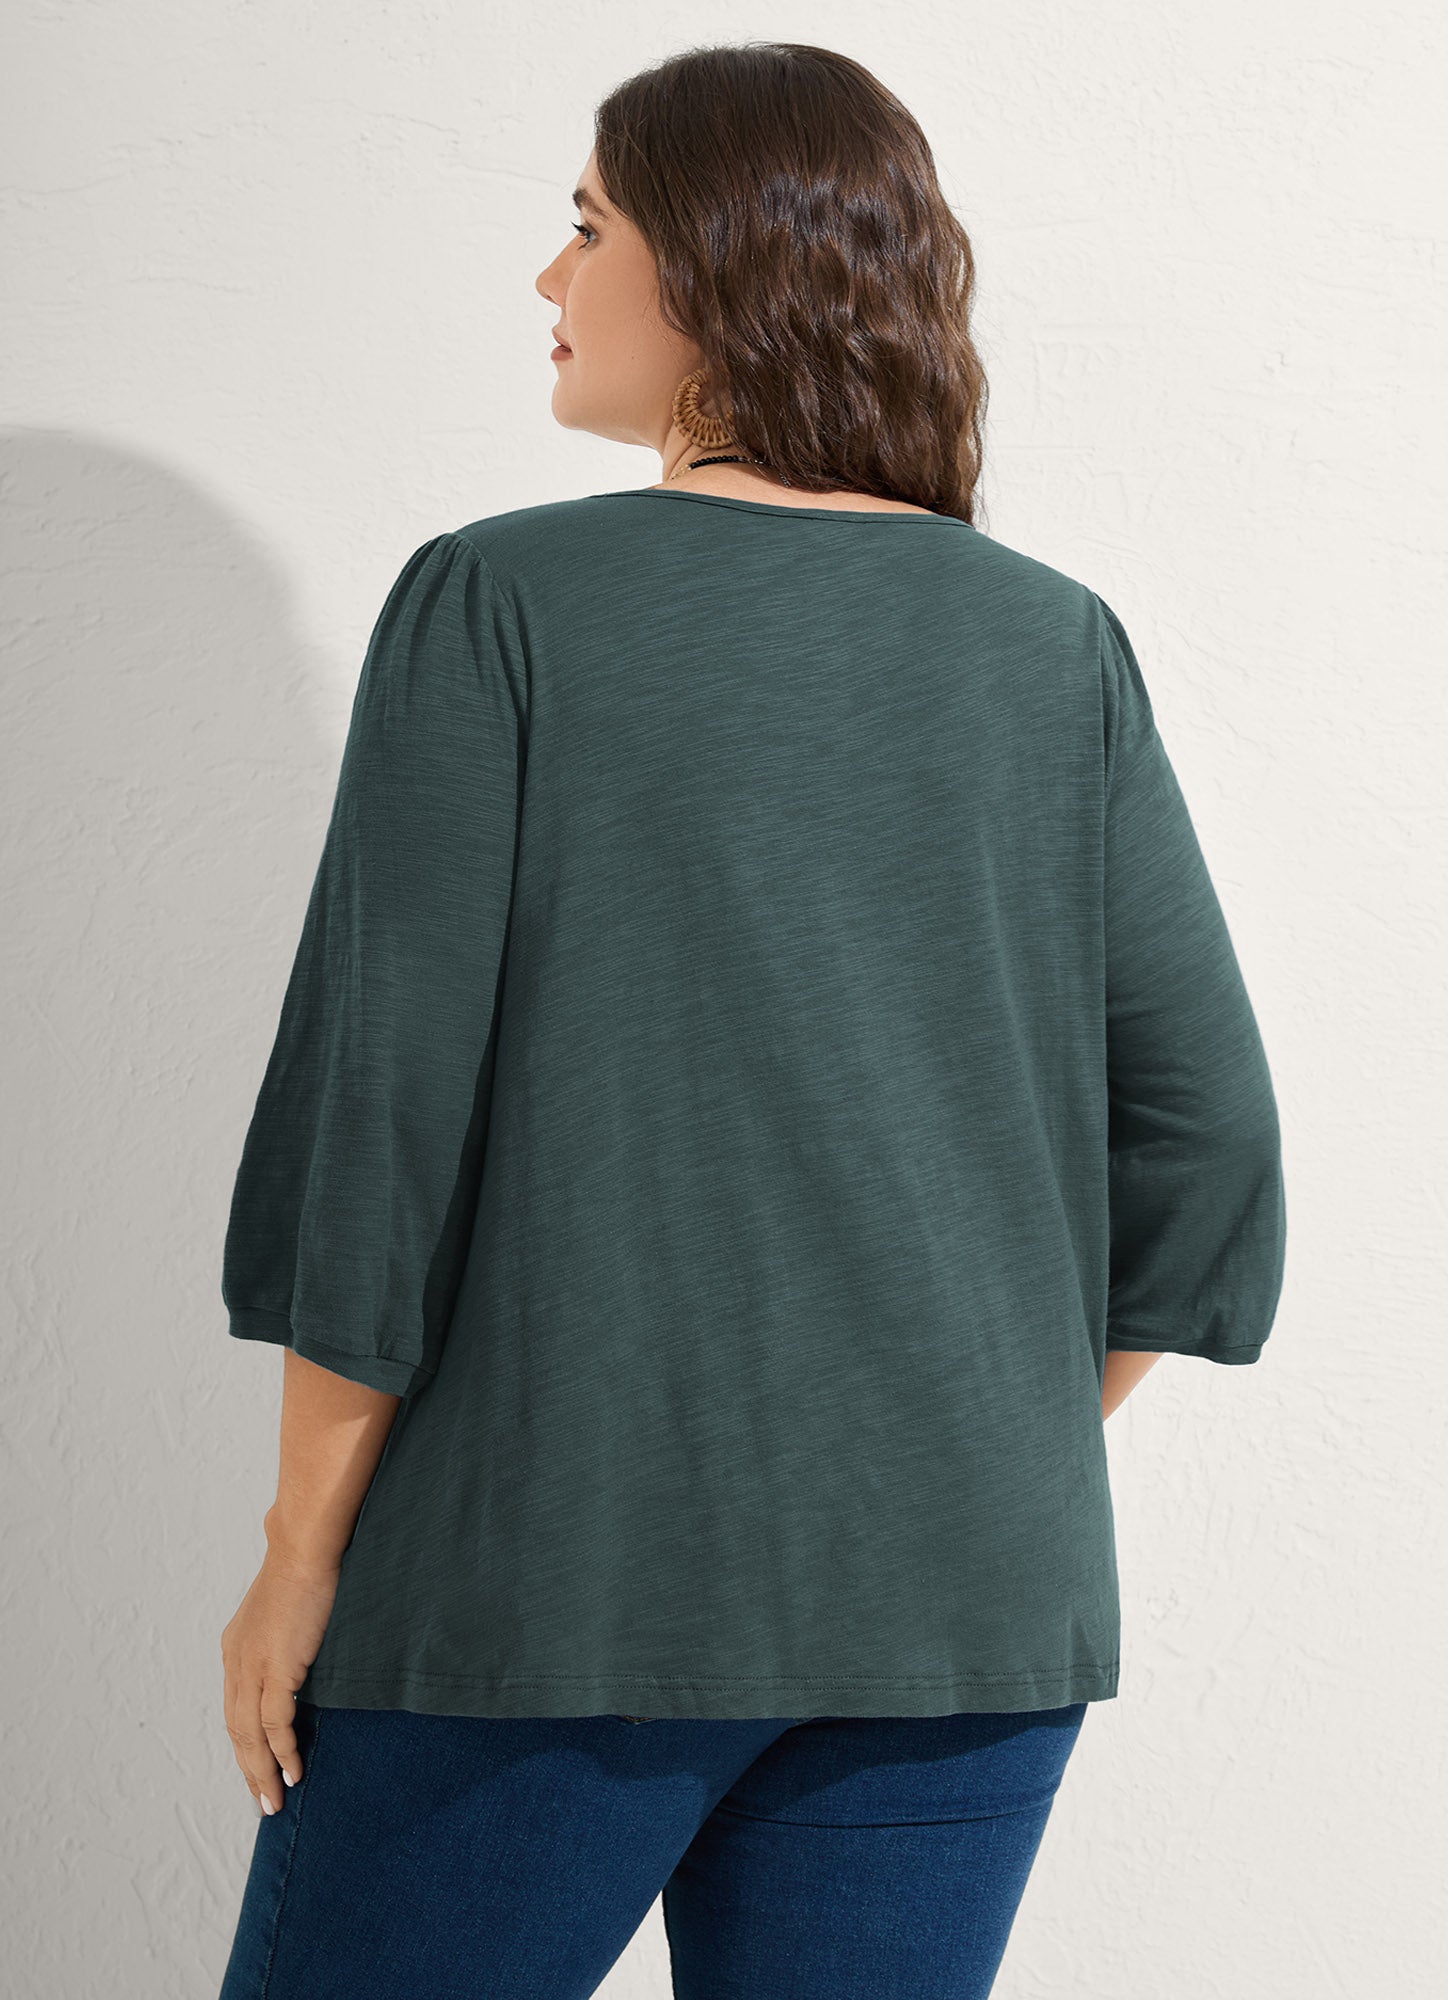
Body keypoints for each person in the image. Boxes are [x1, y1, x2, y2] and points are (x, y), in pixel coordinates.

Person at [214, 41, 1286, 2000]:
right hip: (966, 1601)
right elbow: (1208, 1139)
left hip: (551, 1588)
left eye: (587, 225)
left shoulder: (497, 605)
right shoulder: (1056, 646)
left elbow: (382, 1127)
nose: (552, 277)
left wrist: (297, 1557)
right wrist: (954, 1451)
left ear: (714, 257)